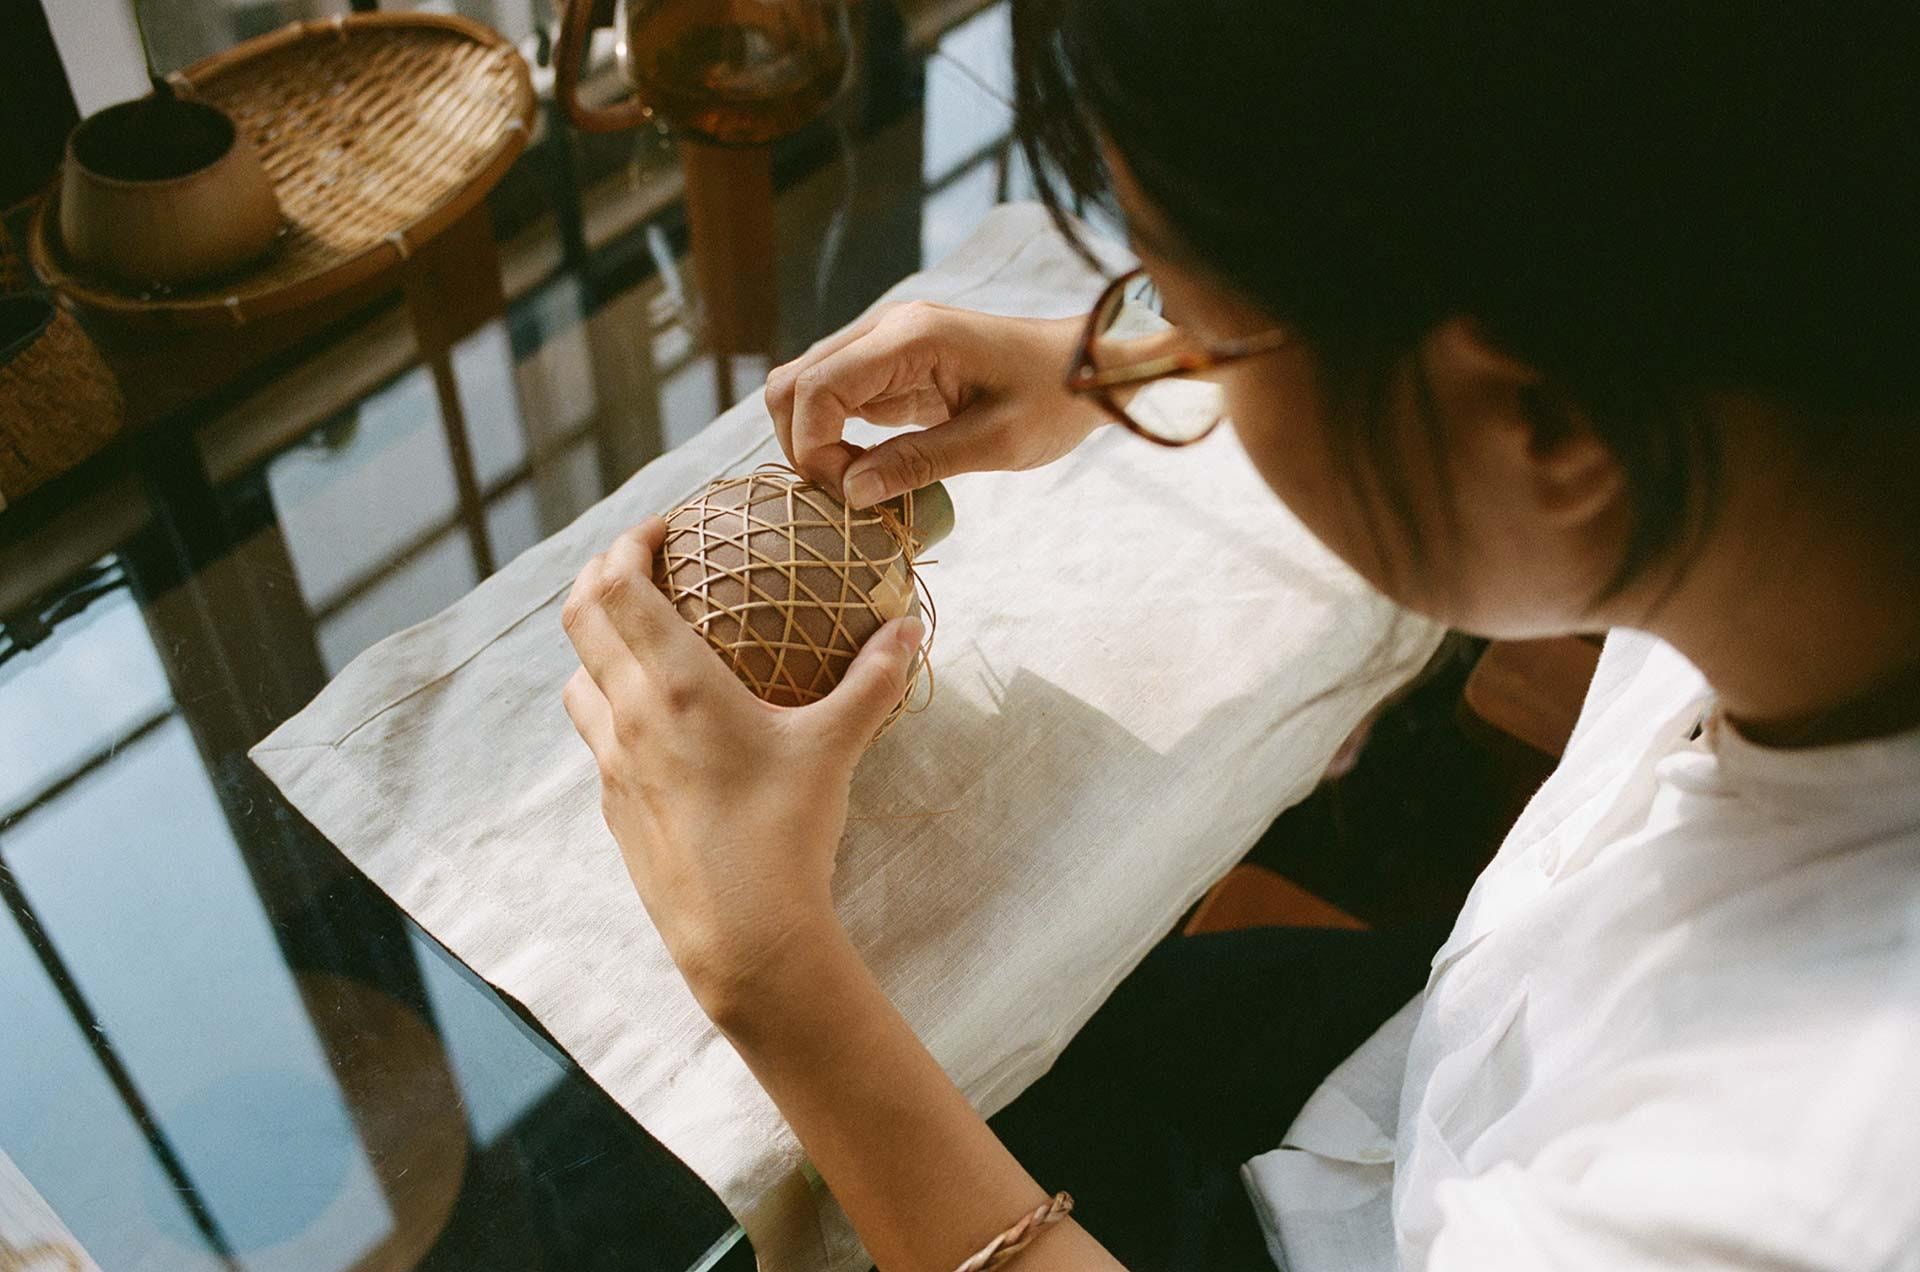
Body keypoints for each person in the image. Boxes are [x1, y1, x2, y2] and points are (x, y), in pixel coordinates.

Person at [558, 3, 1920, 1268]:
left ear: (1554, 428)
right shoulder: (1811, 391)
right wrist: (1120, 362)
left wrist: (768, 969)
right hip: (1427, 1045)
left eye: (1191, 308)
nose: (1165, 347)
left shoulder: (1788, 1182)